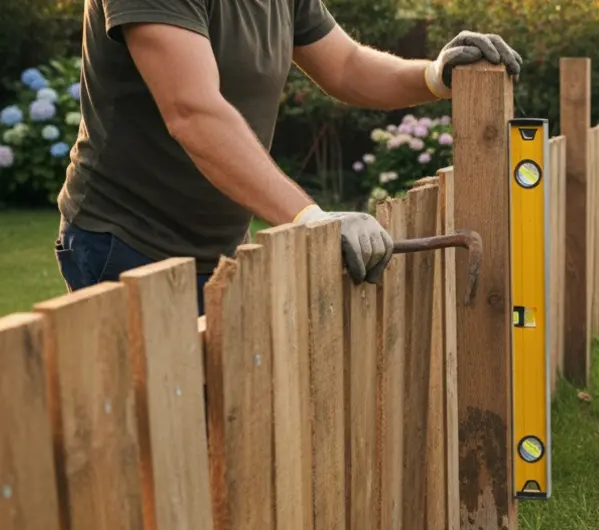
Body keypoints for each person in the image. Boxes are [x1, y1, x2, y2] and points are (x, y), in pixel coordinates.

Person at [54, 0, 521, 313]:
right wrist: (309, 216)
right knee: (154, 438)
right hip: (125, 241)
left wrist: (433, 76)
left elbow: (345, 65)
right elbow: (193, 112)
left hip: (213, 243)